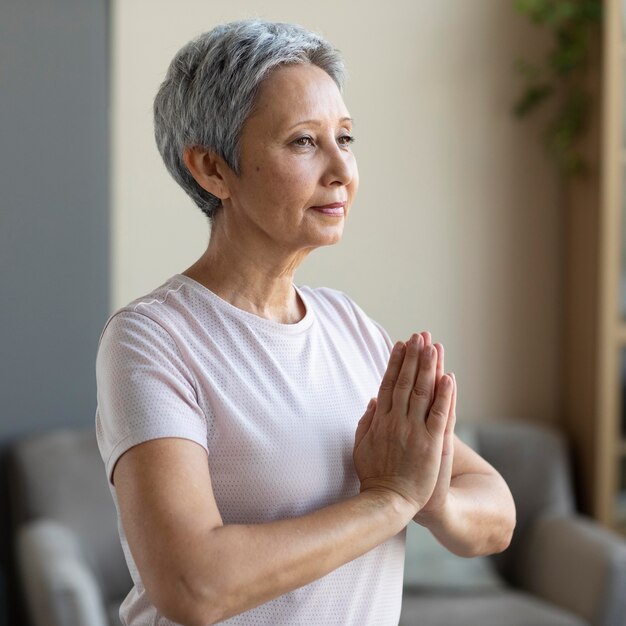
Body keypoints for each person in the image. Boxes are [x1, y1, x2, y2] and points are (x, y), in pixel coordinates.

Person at [95, 19, 516, 626]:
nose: (342, 170)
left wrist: (431, 496)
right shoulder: (151, 340)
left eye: (344, 138)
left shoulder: (351, 328)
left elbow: (496, 515)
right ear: (212, 169)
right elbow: (193, 585)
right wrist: (390, 499)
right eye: (302, 142)